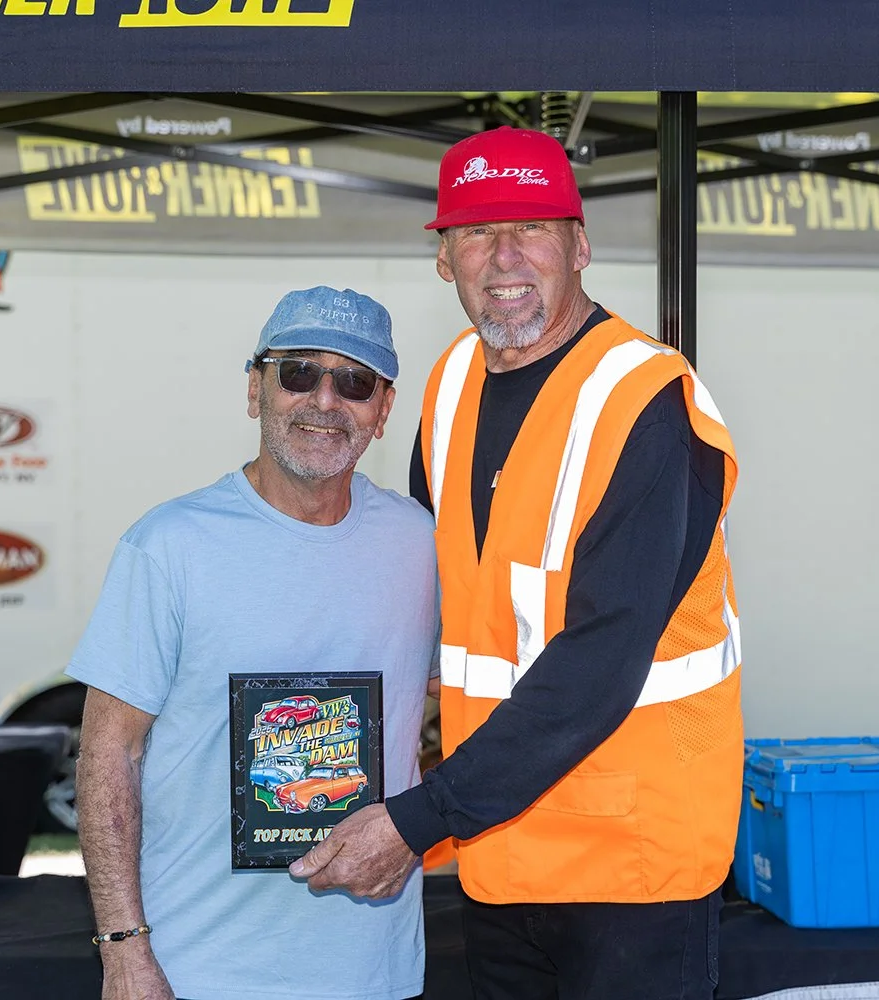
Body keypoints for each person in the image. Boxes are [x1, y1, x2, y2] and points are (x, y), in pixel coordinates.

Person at [292, 127, 745, 1000]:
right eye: (475, 232)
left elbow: (602, 659)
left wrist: (418, 818)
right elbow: (434, 589)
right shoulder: (453, 380)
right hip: (500, 853)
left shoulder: (647, 400)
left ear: (580, 247)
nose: (504, 256)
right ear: (444, 259)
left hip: (631, 865)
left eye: (532, 226)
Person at [68, 285, 439, 1000]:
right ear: (254, 389)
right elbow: (110, 753)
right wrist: (122, 947)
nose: (325, 401)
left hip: (373, 970)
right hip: (199, 969)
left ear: (384, 409)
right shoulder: (168, 546)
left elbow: (473, 699)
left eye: (355, 382)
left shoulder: (420, 543)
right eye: (298, 372)